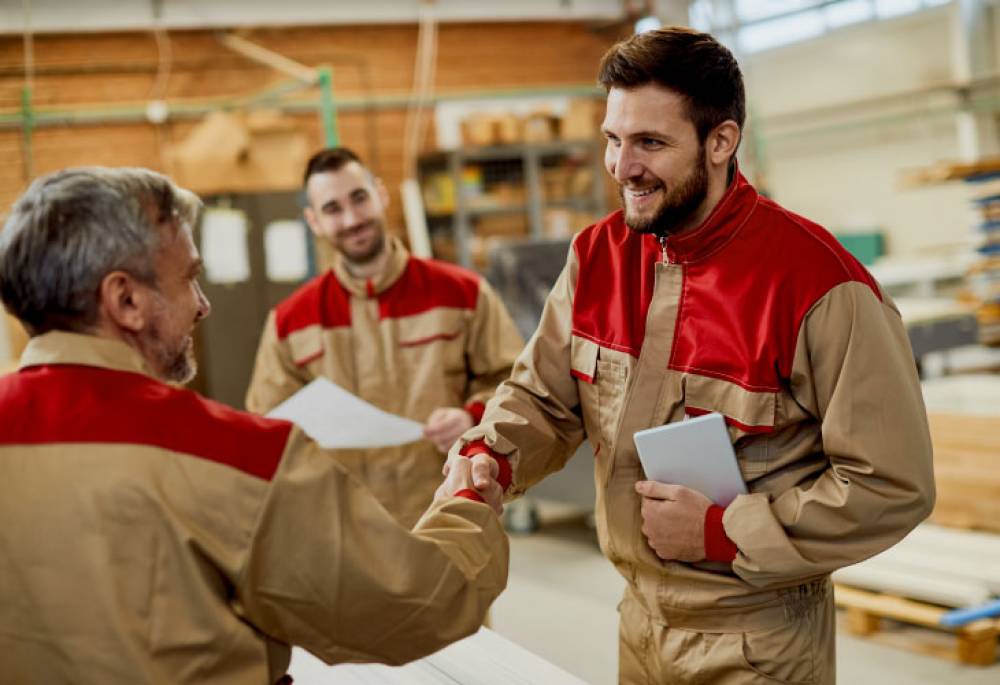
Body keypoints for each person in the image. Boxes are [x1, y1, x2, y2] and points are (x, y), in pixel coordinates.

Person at [450, 26, 935, 684]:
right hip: (637, 622)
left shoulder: (819, 286)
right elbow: (543, 398)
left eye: (650, 142)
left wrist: (723, 531)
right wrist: (493, 455)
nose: (622, 166)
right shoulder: (598, 257)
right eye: (613, 140)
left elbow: (890, 483)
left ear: (721, 141)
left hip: (758, 641)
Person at [0, 167, 508, 684]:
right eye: (189, 278)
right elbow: (415, 604)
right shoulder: (234, 455)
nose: (202, 306)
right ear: (126, 301)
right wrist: (468, 509)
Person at [246, 147, 524, 527]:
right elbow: (267, 428)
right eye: (332, 209)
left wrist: (471, 416)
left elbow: (516, 384)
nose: (351, 218)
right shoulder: (290, 321)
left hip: (449, 515)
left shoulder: (462, 293)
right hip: (347, 530)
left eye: (359, 198)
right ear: (313, 221)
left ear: (381, 194)